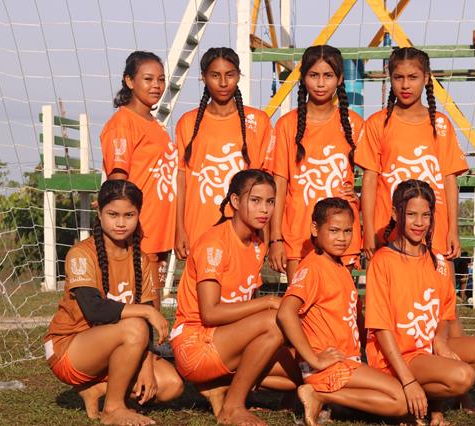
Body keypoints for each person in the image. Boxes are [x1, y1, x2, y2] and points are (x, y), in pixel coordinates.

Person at [44, 180, 183, 426]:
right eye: (113, 215)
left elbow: (146, 323)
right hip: (69, 349)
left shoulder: (143, 260)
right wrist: (145, 312)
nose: (120, 223)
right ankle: (113, 408)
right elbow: (94, 310)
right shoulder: (81, 254)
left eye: (129, 215)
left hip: (119, 345)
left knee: (171, 385)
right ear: (99, 214)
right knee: (135, 325)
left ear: (138, 215)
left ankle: (97, 389)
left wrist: (147, 363)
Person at [170, 169, 300, 426]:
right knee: (275, 320)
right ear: (235, 201)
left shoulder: (257, 244)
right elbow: (210, 313)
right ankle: (233, 406)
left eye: (270, 202)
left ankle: (220, 385)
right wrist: (268, 302)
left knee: (298, 374)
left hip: (228, 341)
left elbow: (246, 306)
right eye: (256, 200)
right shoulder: (214, 244)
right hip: (195, 344)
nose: (264, 209)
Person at [365, 179, 475, 426]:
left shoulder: (438, 262)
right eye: (411, 214)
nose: (419, 222)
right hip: (398, 356)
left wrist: (439, 340)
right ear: (395, 213)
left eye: (426, 215)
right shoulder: (382, 262)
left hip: (427, 349)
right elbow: (380, 328)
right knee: (463, 376)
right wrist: (408, 380)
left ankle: (428, 400)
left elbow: (443, 315)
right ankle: (404, 392)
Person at [277, 198, 408, 426]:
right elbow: (286, 313)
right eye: (334, 230)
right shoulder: (313, 267)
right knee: (401, 399)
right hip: (328, 366)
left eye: (348, 231)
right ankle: (320, 395)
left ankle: (328, 400)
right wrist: (313, 359)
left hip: (347, 362)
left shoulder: (339, 266)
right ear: (315, 229)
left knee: (396, 397)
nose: (342, 238)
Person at [355, 46, 468, 261]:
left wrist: (453, 229)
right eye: (398, 77)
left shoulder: (441, 124)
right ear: (390, 78)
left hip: (434, 233)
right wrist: (368, 230)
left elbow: (449, 180)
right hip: (388, 233)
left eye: (413, 77)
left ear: (426, 78)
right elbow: (369, 180)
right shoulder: (377, 123)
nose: (405, 85)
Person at [266, 44, 364, 282]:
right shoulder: (287, 125)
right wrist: (275, 238)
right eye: (314, 75)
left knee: (339, 300)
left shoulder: (354, 123)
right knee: (300, 302)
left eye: (328, 75)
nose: (321, 83)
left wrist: (357, 199)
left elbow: (374, 177)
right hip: (298, 233)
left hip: (342, 235)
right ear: (303, 78)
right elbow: (279, 184)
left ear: (340, 79)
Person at [174, 47, 273, 260]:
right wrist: (179, 228)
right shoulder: (187, 122)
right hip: (200, 227)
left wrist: (269, 234)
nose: (223, 82)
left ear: (238, 75)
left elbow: (267, 180)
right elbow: (181, 179)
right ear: (203, 77)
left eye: (229, 75)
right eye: (215, 75)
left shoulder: (258, 121)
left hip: (244, 229)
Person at [100, 51, 177, 307]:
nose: (156, 85)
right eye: (148, 79)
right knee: (142, 305)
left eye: (161, 79)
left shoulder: (154, 124)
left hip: (159, 228)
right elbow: (117, 182)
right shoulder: (123, 123)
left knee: (153, 302)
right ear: (129, 81)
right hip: (141, 230)